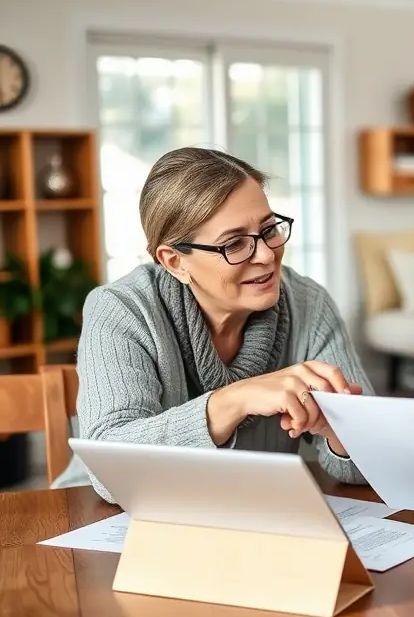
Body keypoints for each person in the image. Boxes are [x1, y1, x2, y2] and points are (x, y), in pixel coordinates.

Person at [55, 148, 373, 503]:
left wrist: (341, 432)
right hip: (102, 514)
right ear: (174, 261)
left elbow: (378, 464)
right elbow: (111, 471)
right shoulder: (123, 309)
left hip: (249, 513)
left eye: (268, 229)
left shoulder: (308, 304)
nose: (267, 255)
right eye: (234, 244)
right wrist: (234, 400)